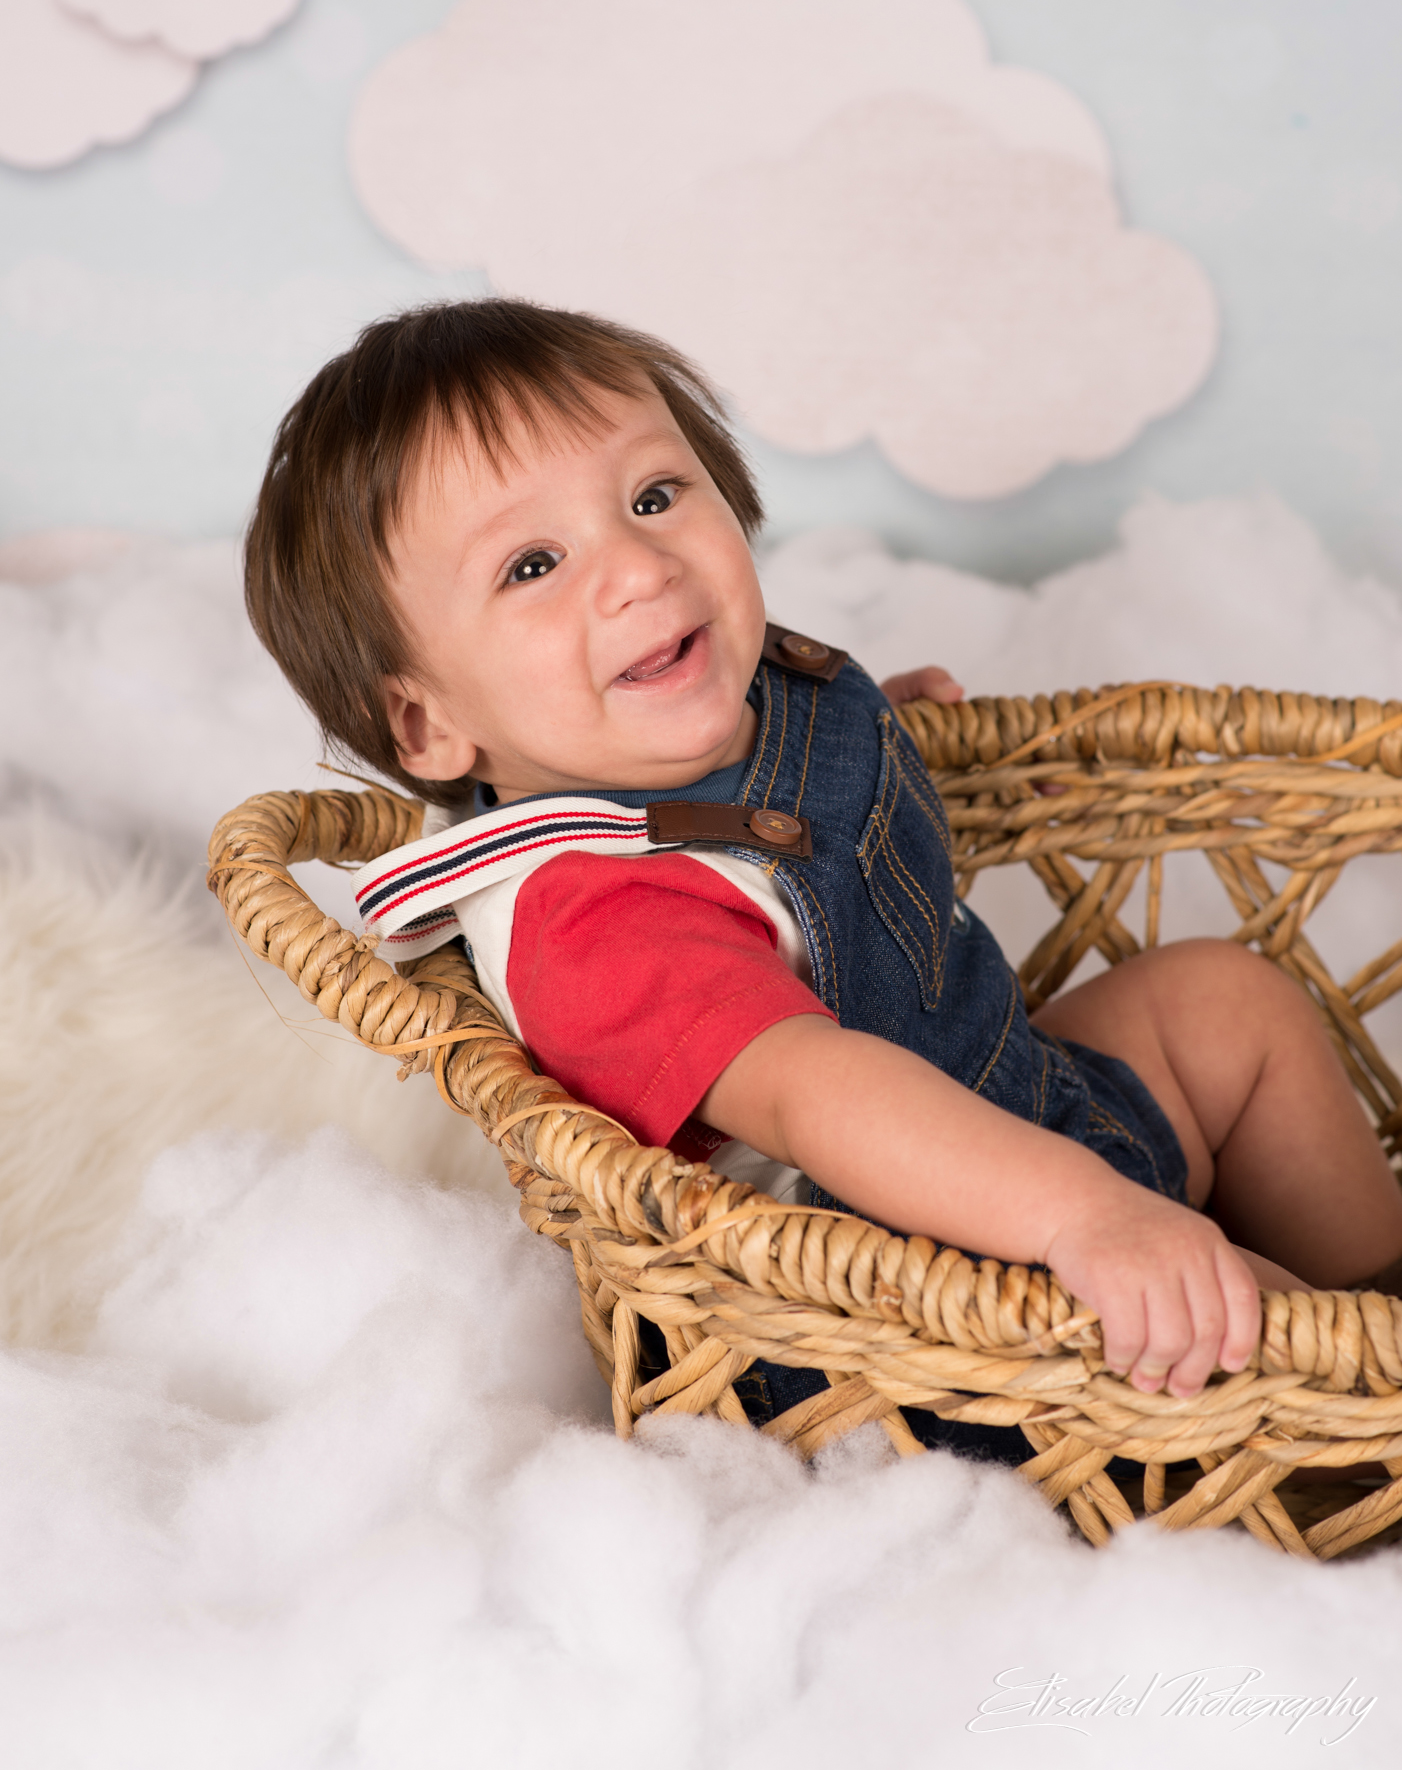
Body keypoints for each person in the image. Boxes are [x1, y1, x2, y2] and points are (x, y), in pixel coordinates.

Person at [244, 298, 1402, 1453]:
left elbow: (786, 840)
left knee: (1225, 1003)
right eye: (532, 564)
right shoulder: (593, 919)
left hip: (1003, 1104)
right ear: (427, 724)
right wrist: (1088, 1216)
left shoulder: (726, 707)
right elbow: (820, 1095)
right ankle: (1350, 1417)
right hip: (893, 1305)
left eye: (653, 496)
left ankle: (1377, 1288)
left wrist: (875, 751)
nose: (637, 568)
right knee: (1239, 1321)